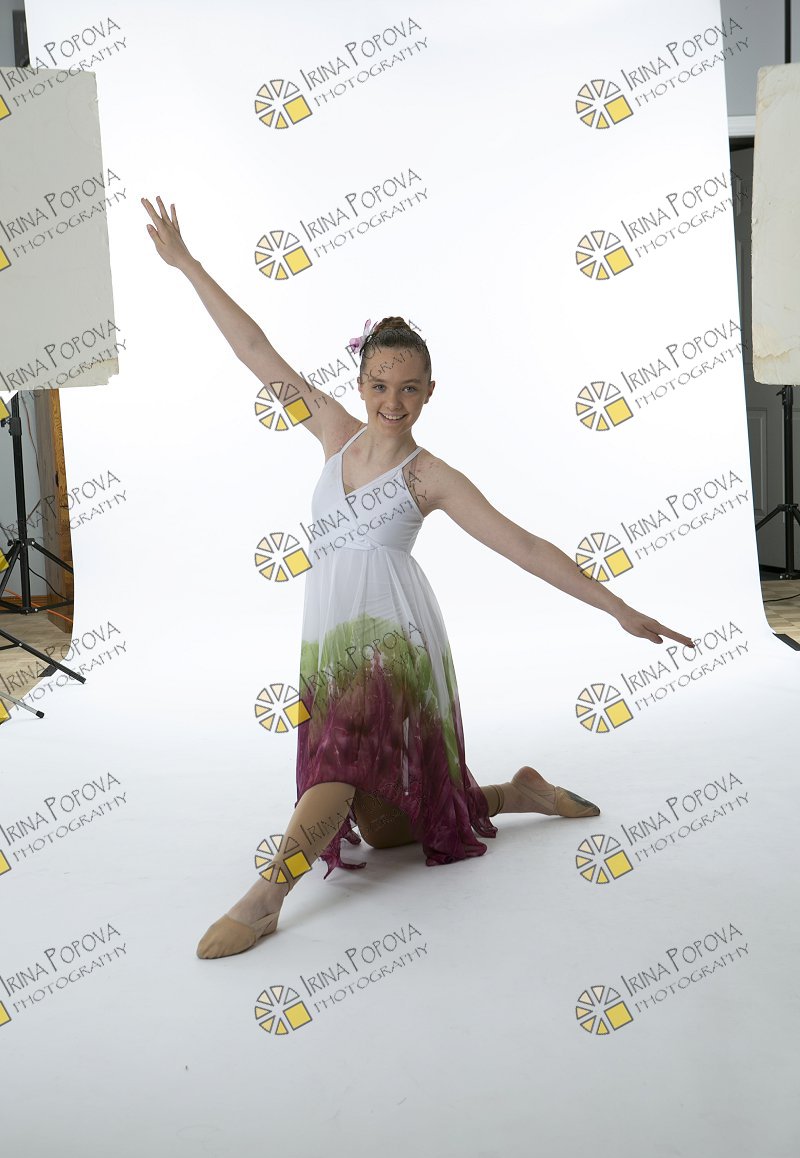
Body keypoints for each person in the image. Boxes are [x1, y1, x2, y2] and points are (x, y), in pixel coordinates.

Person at [141, 195, 695, 960]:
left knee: (337, 768)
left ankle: (266, 897)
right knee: (388, 829)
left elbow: (524, 546)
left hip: (390, 647)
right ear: (360, 384)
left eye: (408, 388)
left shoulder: (430, 477)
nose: (391, 402)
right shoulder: (333, 434)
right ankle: (519, 792)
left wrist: (618, 607)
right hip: (331, 642)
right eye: (378, 385)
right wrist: (186, 263)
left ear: (429, 391)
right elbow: (254, 348)